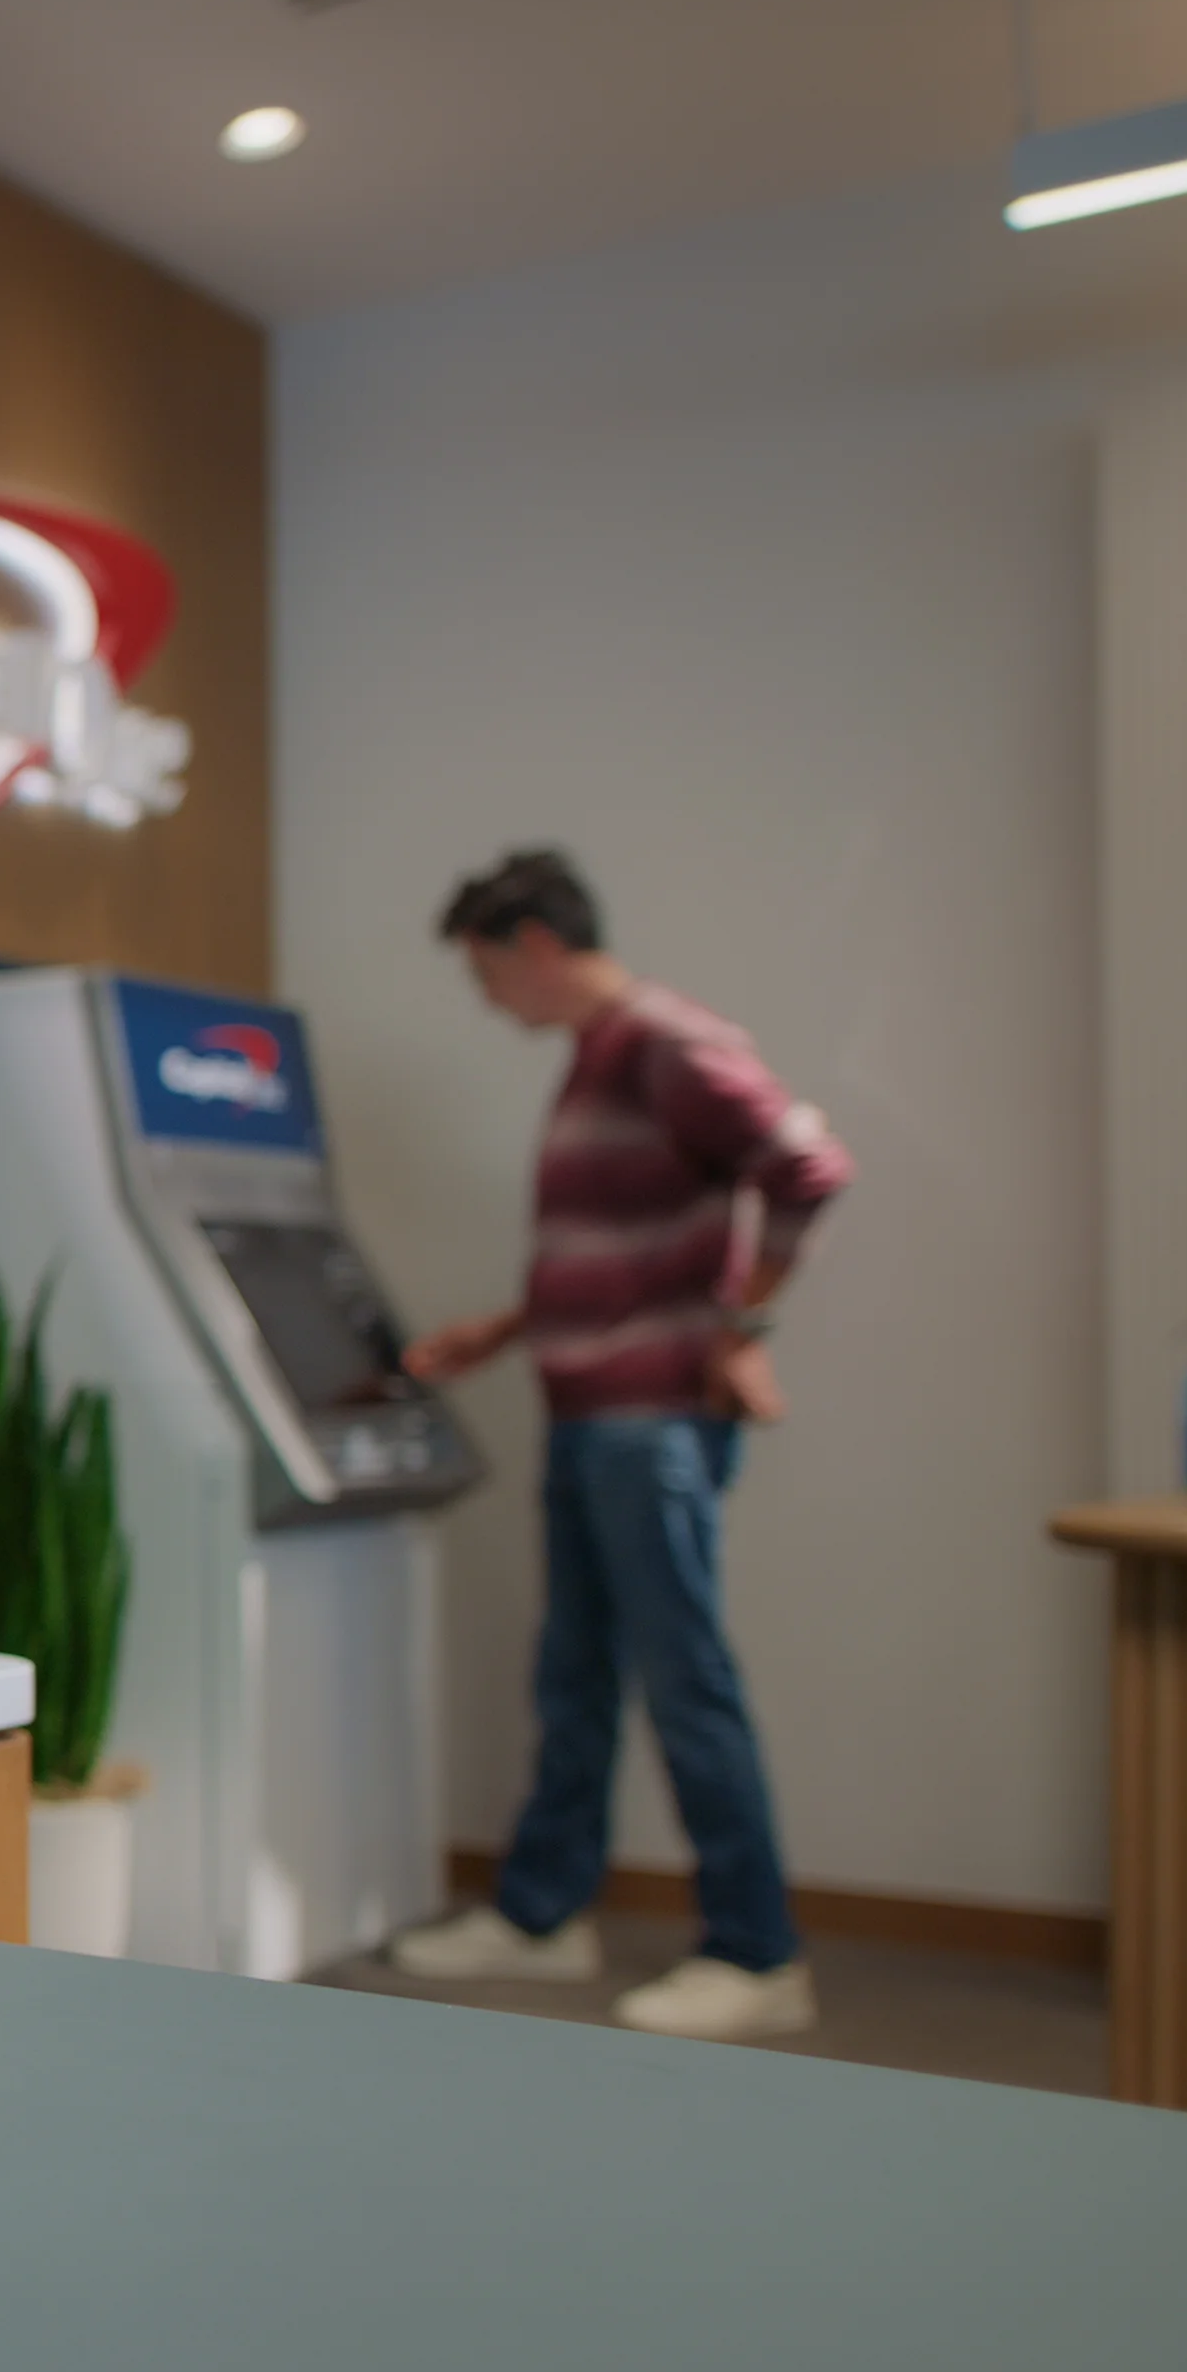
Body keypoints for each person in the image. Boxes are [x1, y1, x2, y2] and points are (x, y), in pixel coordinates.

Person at [384, 847, 851, 2041]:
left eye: (488, 974)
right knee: (573, 1674)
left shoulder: (662, 1041)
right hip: (588, 1413)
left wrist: (742, 1321)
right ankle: (541, 1915)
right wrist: (499, 1331)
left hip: (648, 1426)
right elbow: (620, 1250)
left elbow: (806, 1165)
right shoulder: (598, 1060)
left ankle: (756, 1952)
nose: (489, 1002)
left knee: (682, 1678)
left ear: (535, 943)